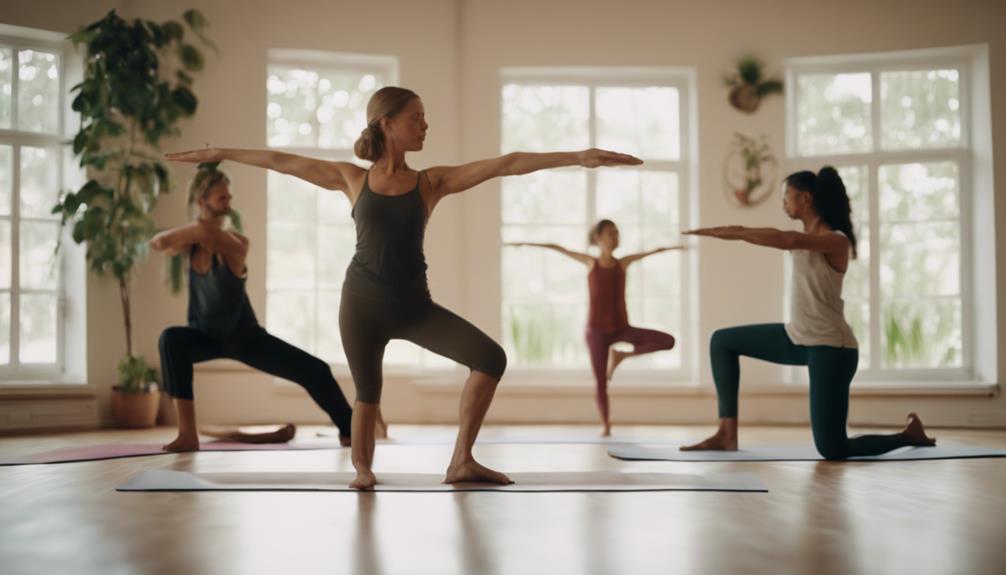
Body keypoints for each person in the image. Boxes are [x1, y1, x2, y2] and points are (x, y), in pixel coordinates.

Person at [167, 86, 642, 488]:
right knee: (368, 392)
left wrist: (578, 157)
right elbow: (280, 160)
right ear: (387, 123)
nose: (425, 126)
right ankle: (362, 470)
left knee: (490, 358)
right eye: (417, 118)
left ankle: (461, 460)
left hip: (416, 308)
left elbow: (508, 163)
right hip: (361, 306)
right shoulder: (351, 178)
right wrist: (222, 153)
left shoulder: (430, 182)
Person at [680, 166, 936, 459]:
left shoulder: (836, 240)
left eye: (785, 196)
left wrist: (732, 233)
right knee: (722, 341)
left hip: (832, 349)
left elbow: (790, 240)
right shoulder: (802, 239)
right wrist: (726, 232)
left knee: (833, 448)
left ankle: (908, 435)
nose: (783, 203)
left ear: (805, 199)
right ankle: (726, 434)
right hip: (797, 338)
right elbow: (787, 239)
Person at [150, 165, 372, 452]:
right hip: (204, 336)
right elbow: (159, 242)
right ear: (202, 201)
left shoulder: (235, 243)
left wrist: (199, 221)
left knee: (316, 371)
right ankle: (187, 434)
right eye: (222, 199)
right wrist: (195, 226)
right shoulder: (191, 245)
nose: (229, 204)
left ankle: (351, 430)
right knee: (171, 339)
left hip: (245, 338)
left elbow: (183, 238)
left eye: (229, 197)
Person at [507, 219, 682, 435]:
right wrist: (525, 244)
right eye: (611, 233)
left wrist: (677, 246)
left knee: (668, 341)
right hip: (597, 333)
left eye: (617, 233)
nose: (616, 237)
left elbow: (651, 251)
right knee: (600, 381)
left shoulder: (623, 263)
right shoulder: (591, 263)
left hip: (622, 328)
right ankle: (606, 425)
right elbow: (558, 248)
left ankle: (621, 356)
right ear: (598, 238)